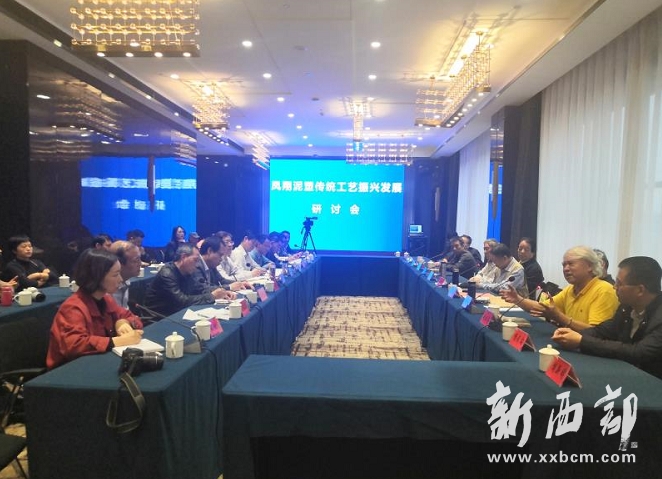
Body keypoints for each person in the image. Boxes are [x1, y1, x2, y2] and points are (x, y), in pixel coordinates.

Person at [552, 256, 662, 379]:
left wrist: (581, 341)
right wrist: (571, 334)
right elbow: (603, 331)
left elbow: (637, 352)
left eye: (619, 283)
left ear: (640, 290)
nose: (614, 287)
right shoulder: (627, 307)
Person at [46, 249, 144, 369]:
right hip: (69, 370)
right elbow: (73, 345)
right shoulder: (73, 307)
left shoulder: (106, 299)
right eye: (115, 275)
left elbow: (133, 318)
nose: (120, 279)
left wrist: (123, 322)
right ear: (97, 277)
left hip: (95, 364)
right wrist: (117, 341)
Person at [501, 245, 619, 331]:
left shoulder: (604, 291)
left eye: (571, 264)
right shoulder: (571, 289)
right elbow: (541, 308)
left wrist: (559, 317)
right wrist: (518, 299)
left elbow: (596, 333)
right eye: (564, 265)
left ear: (589, 266)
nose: (566, 269)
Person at [144, 244, 230, 317]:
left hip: (175, 314)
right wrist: (212, 296)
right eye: (195, 260)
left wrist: (221, 291)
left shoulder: (188, 271)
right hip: (159, 318)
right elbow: (181, 302)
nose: (197, 264)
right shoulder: (167, 274)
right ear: (183, 257)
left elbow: (200, 288)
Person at [109, 240, 142, 308]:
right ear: (118, 263)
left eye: (140, 259)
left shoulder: (126, 280)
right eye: (136, 260)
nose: (140, 264)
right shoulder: (108, 288)